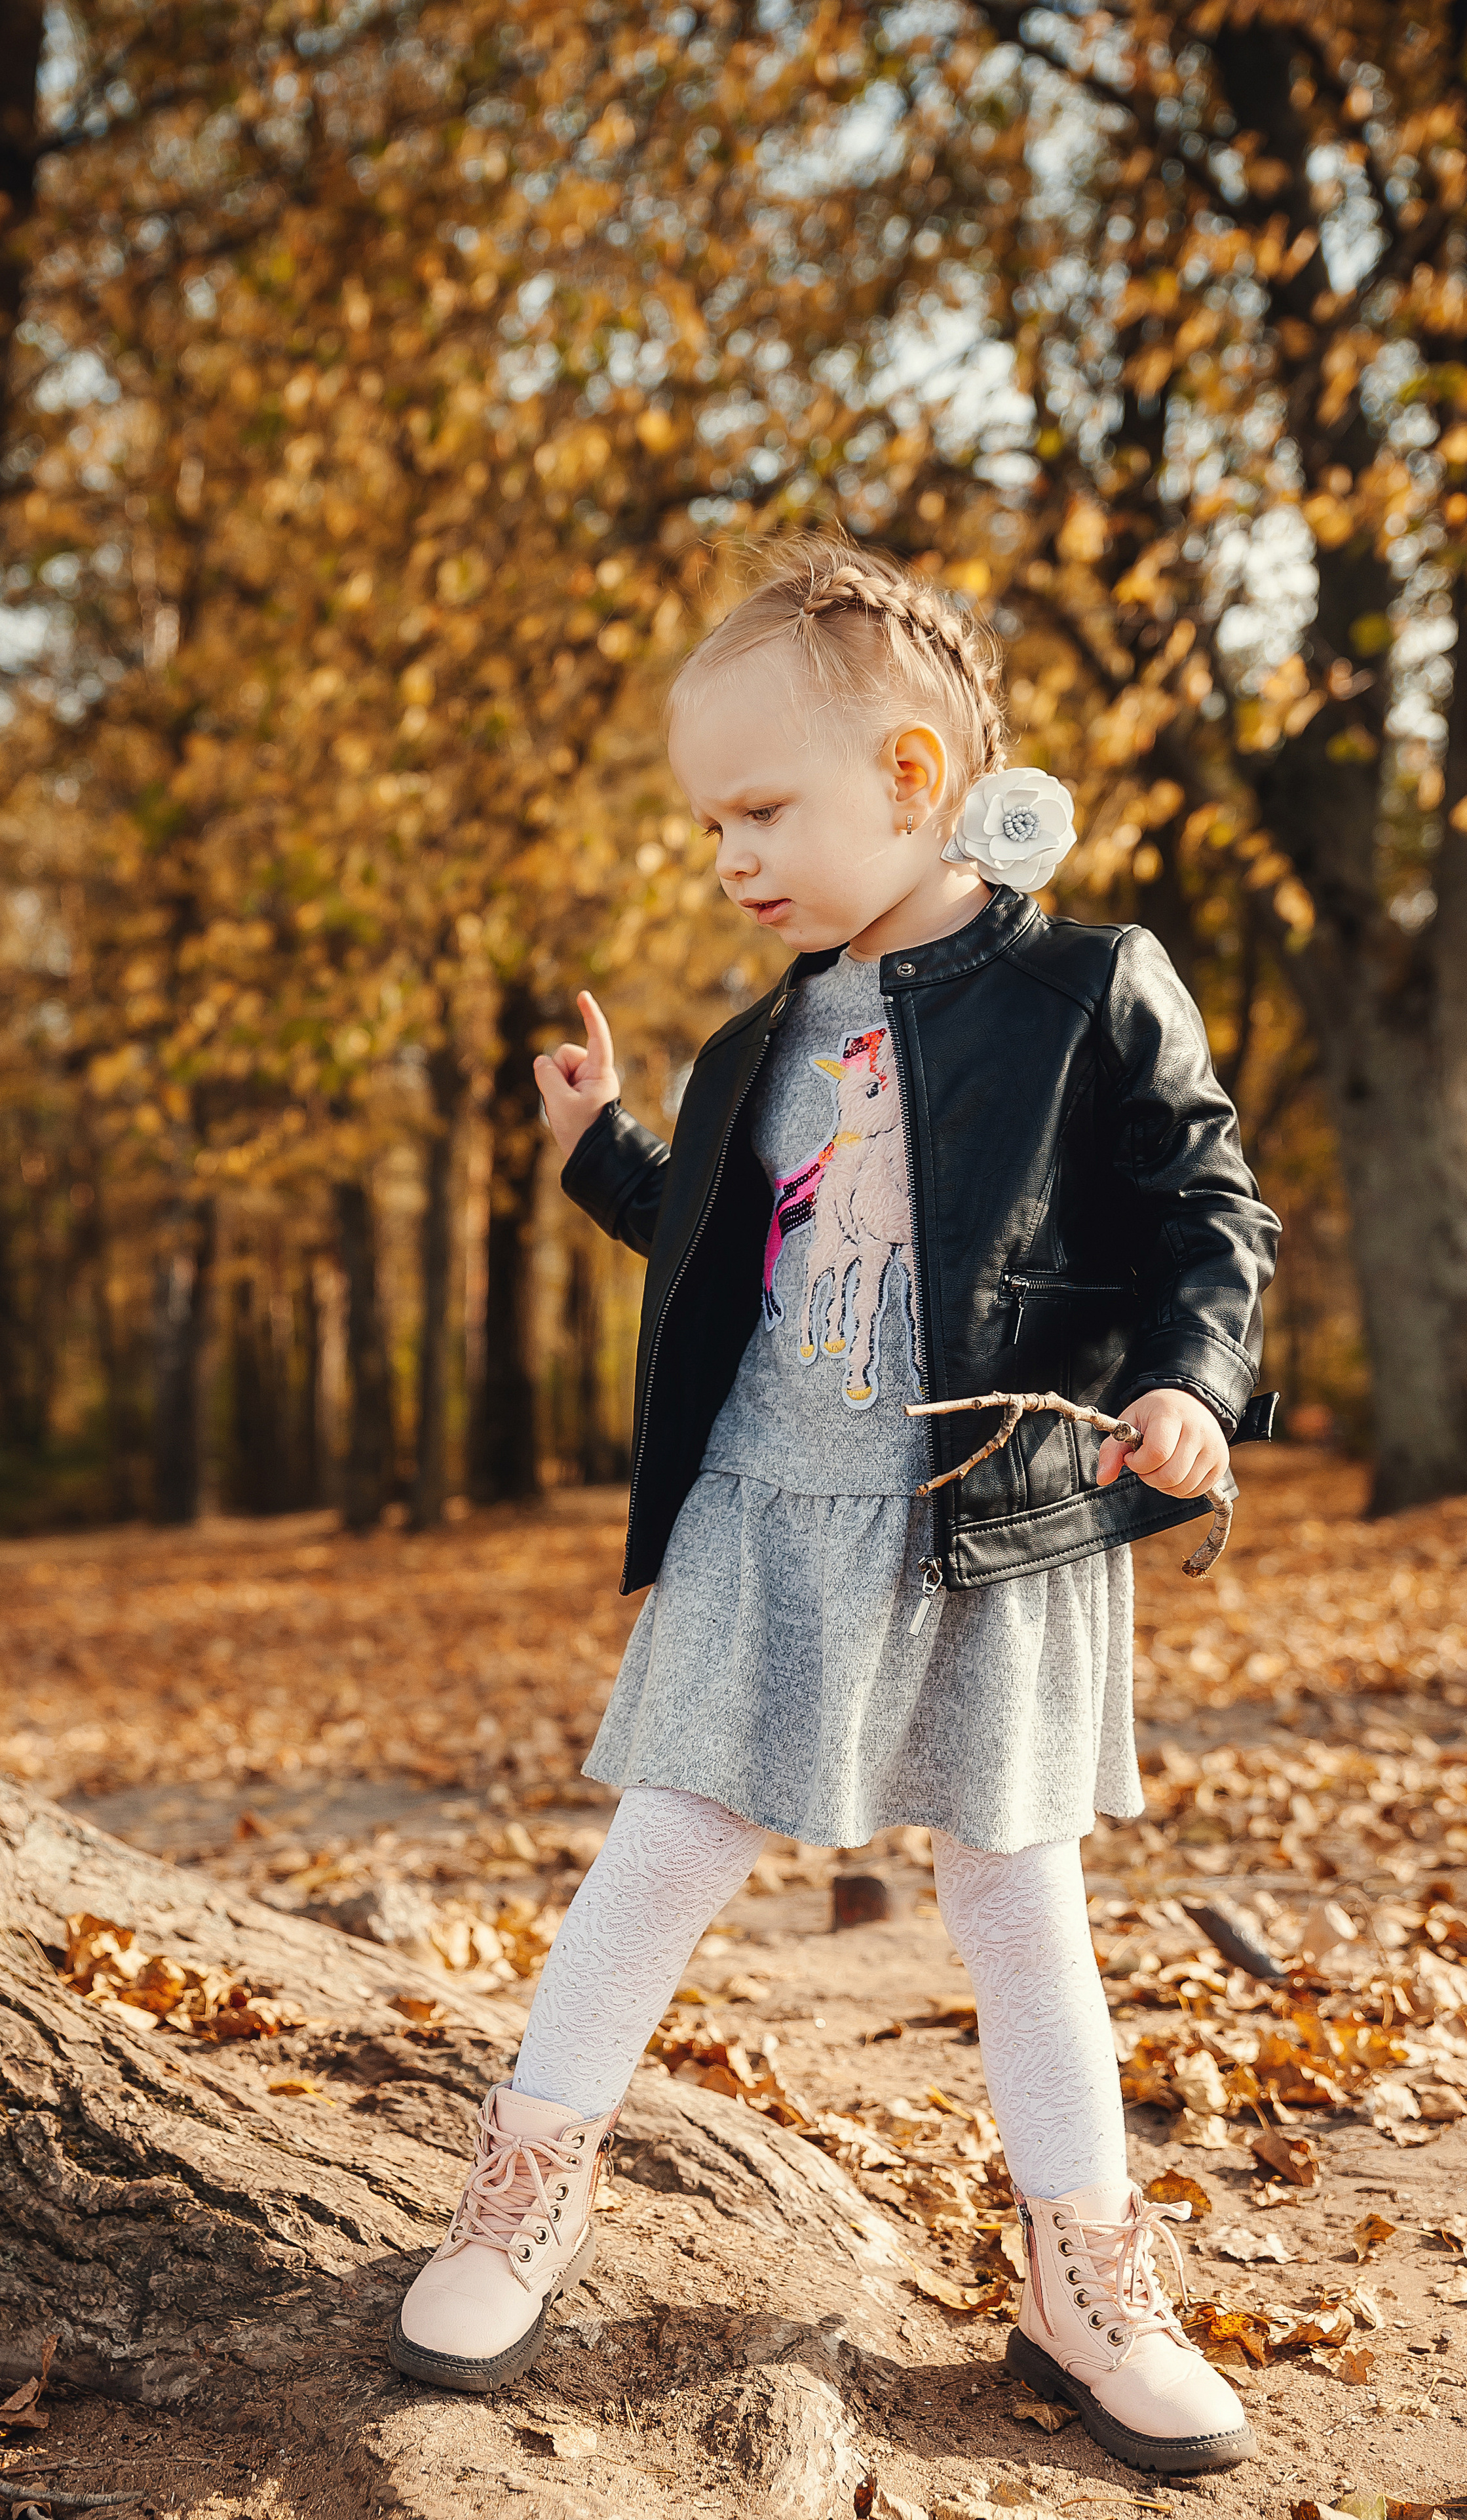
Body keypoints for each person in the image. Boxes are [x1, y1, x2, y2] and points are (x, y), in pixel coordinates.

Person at [389, 540, 1280, 2477]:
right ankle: (523, 2192)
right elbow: (726, 1255)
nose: (728, 855)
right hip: (764, 1515)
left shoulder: (1086, 988)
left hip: (996, 1517)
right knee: (666, 1851)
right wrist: (597, 1151)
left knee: (1019, 1896)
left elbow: (1210, 1208)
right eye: (711, 818)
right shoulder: (758, 1043)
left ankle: (1084, 2279)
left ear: (905, 774)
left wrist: (1193, 1389)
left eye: (762, 808)